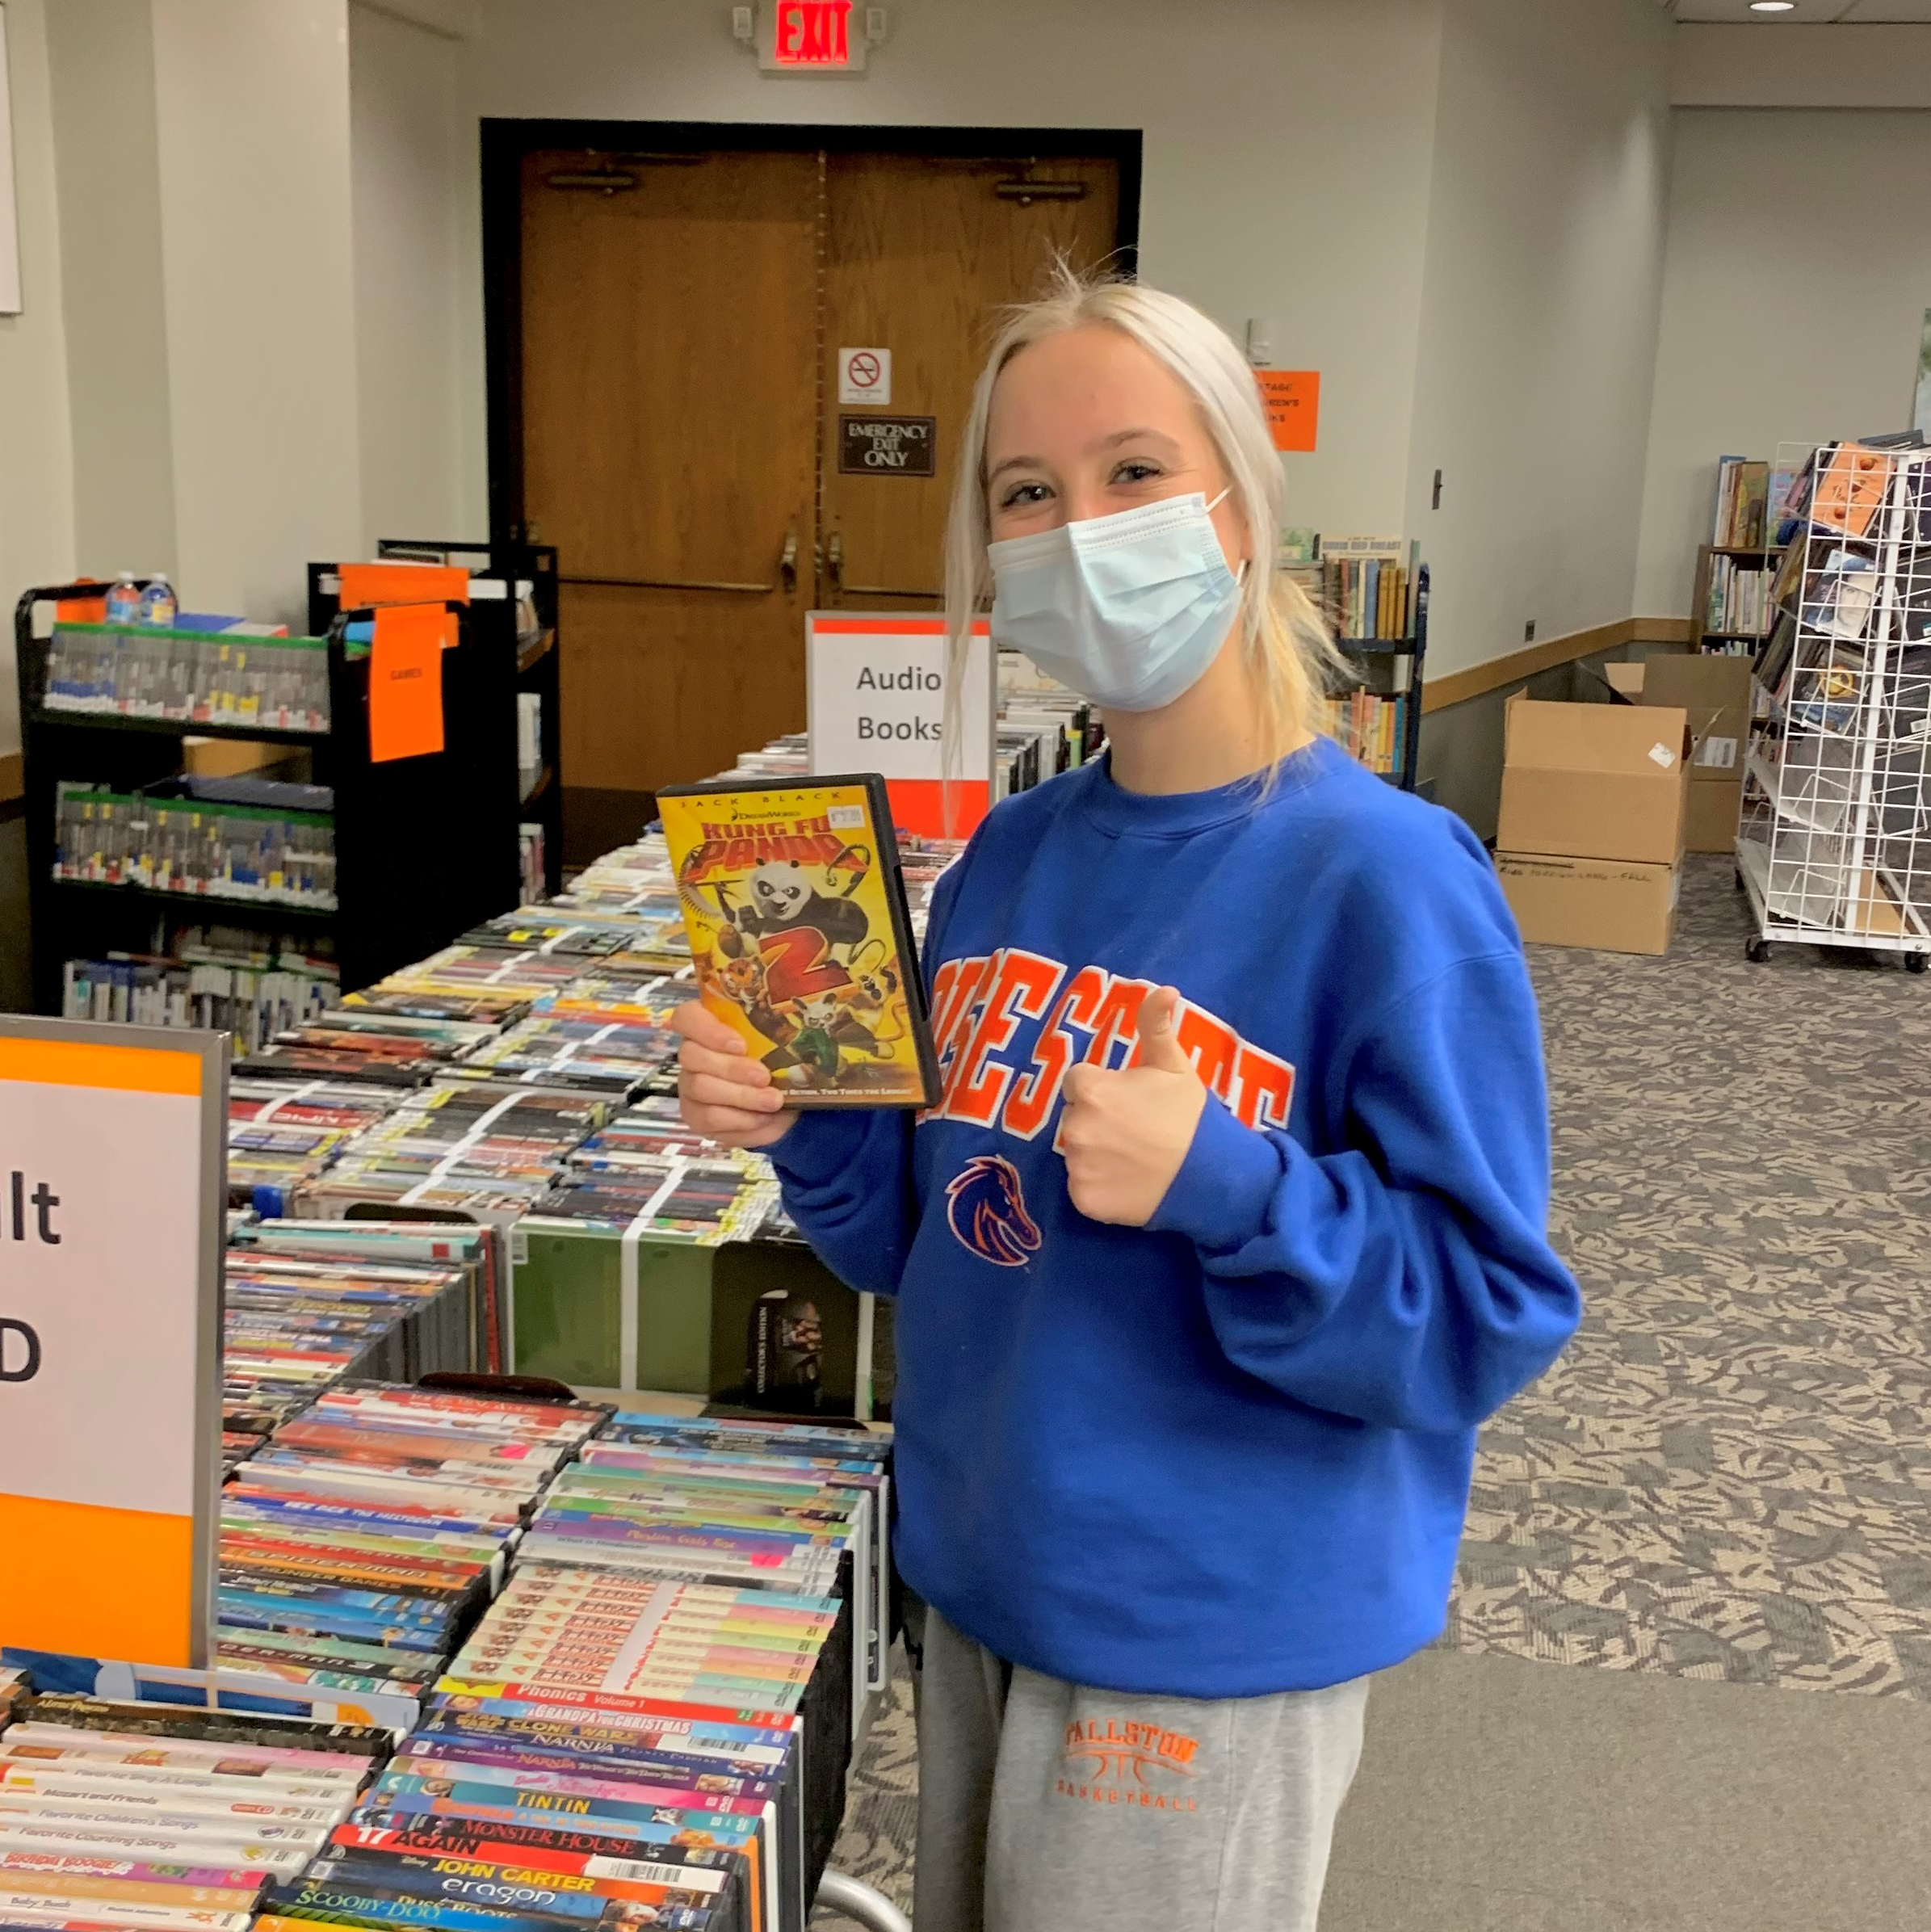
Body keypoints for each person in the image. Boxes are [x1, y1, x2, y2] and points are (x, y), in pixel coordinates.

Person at [674, 269, 1582, 1932]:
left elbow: (1484, 1310)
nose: (1078, 527)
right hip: (980, 1577)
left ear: (1241, 506)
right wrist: (799, 1111)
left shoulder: (1380, 876)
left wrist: (1230, 1185)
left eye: (1134, 472)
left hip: (1205, 1628)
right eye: (1028, 493)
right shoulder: (1011, 859)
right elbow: (920, 1246)